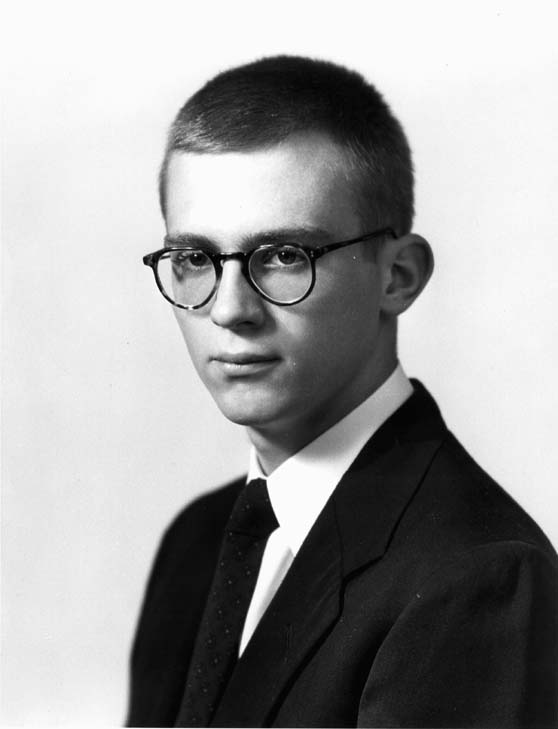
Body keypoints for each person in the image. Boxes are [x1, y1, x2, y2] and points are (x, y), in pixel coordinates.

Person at [127, 56, 558, 728]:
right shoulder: (196, 541)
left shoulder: (478, 579)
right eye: (194, 259)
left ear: (398, 276)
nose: (230, 309)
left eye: (284, 255)